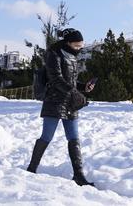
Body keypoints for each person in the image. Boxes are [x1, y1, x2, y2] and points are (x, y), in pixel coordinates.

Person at [26, 28, 96, 186]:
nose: (79, 48)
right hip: (54, 101)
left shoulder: (72, 56)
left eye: (81, 46)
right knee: (47, 136)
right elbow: (55, 78)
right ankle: (31, 169)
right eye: (77, 45)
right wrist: (74, 93)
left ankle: (79, 175)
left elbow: (70, 82)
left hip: (70, 102)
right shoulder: (54, 54)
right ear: (68, 42)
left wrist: (84, 87)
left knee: (74, 138)